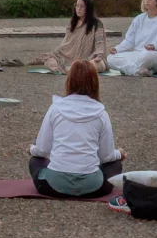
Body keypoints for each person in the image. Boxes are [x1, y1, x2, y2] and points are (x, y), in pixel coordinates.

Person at [28, 60, 123, 198]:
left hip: (53, 186)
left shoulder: (55, 109)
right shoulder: (101, 113)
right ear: (95, 83)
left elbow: (42, 150)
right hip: (94, 188)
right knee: (115, 164)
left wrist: (31, 149)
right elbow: (106, 156)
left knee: (35, 161)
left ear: (69, 81)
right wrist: (119, 153)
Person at [108, 0, 157, 76]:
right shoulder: (138, 19)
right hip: (139, 54)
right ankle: (141, 71)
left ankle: (133, 70)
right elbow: (129, 40)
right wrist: (117, 49)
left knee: (147, 56)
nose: (147, 1)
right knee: (111, 58)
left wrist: (155, 46)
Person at [40, 0, 108, 73]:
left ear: (88, 8)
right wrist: (57, 52)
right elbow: (67, 42)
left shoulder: (96, 23)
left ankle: (75, 69)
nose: (79, 9)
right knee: (49, 61)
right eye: (77, 6)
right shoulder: (73, 23)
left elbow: (100, 43)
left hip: (90, 58)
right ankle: (72, 69)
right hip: (69, 59)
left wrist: (99, 55)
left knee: (96, 64)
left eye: (82, 6)